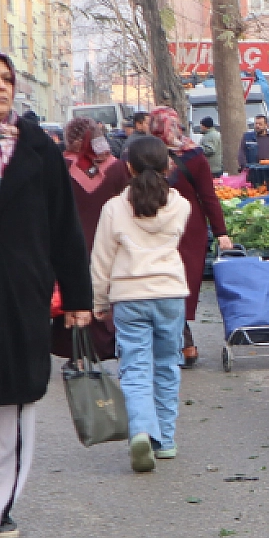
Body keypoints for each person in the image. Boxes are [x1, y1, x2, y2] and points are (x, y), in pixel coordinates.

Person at [0, 49, 93, 538]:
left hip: (20, 293)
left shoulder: (37, 147)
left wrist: (78, 296)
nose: (1, 87)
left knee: (14, 400)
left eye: (8, 79)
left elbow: (65, 225)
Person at [92, 136, 191, 472]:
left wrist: (98, 301)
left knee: (134, 368)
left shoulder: (114, 208)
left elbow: (101, 260)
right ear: (167, 166)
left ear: (128, 167)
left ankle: (141, 431)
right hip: (169, 294)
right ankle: (165, 439)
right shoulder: (180, 205)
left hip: (128, 296)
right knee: (167, 365)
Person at [152, 107, 232, 368]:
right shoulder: (195, 155)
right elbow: (208, 196)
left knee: (161, 283)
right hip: (189, 226)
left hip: (153, 225)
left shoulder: (144, 153)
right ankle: (184, 342)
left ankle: (181, 341)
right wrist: (220, 232)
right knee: (180, 282)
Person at [51, 118, 130, 363]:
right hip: (109, 241)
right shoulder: (117, 167)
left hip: (68, 241)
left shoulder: (60, 165)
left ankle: (75, 349)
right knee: (104, 292)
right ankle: (104, 345)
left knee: (72, 293)